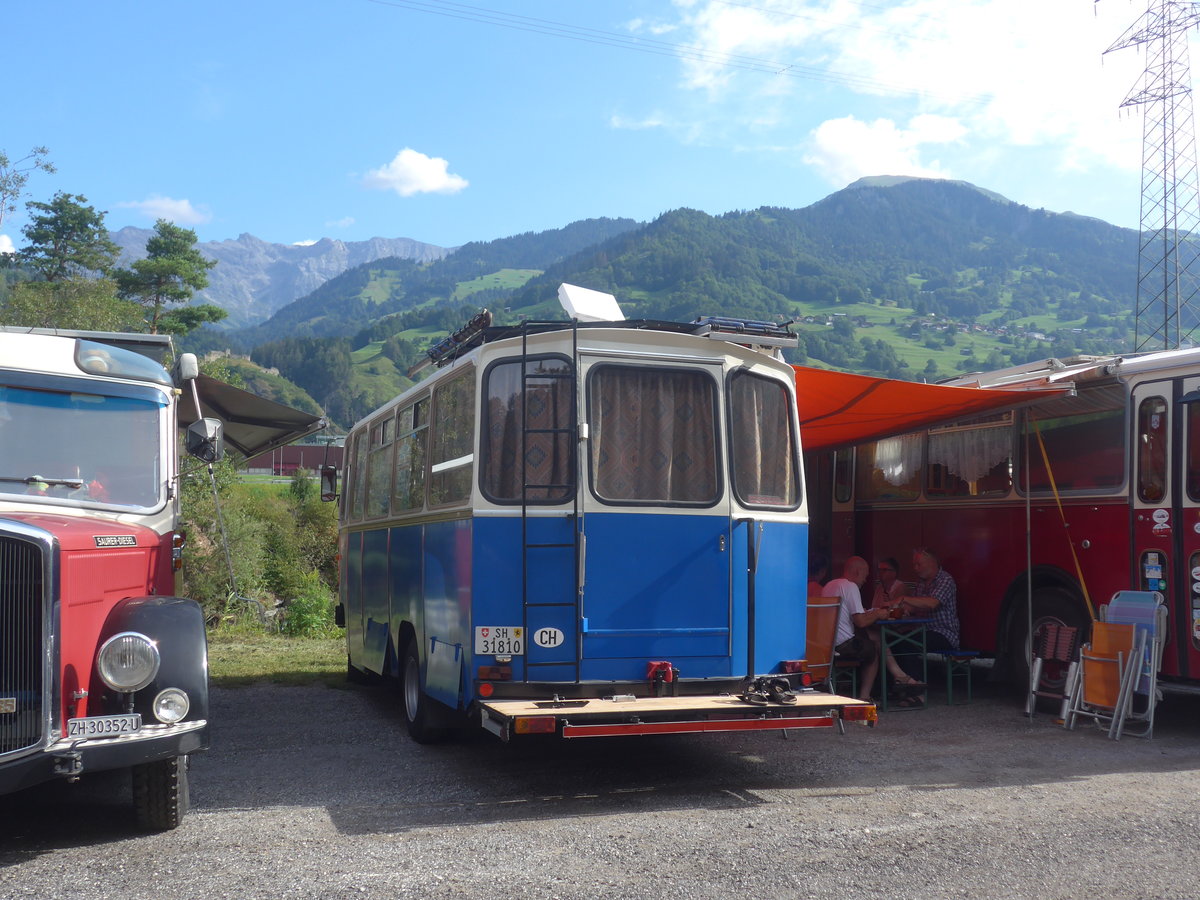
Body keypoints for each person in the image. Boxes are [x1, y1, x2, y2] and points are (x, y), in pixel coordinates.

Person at [821, 556, 891, 702]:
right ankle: (865, 696)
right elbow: (861, 621)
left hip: (826, 646)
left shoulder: (829, 585)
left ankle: (899, 675)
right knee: (872, 651)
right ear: (858, 572)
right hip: (843, 646)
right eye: (865, 575)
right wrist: (878, 613)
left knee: (875, 637)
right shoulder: (850, 586)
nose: (865, 580)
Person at [905, 547, 960, 654]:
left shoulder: (945, 579)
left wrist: (904, 598)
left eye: (918, 564)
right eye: (914, 565)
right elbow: (912, 607)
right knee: (892, 642)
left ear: (932, 563)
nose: (915, 568)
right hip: (922, 632)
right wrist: (894, 609)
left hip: (943, 634)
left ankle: (912, 667)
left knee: (907, 644)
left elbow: (932, 603)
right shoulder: (920, 582)